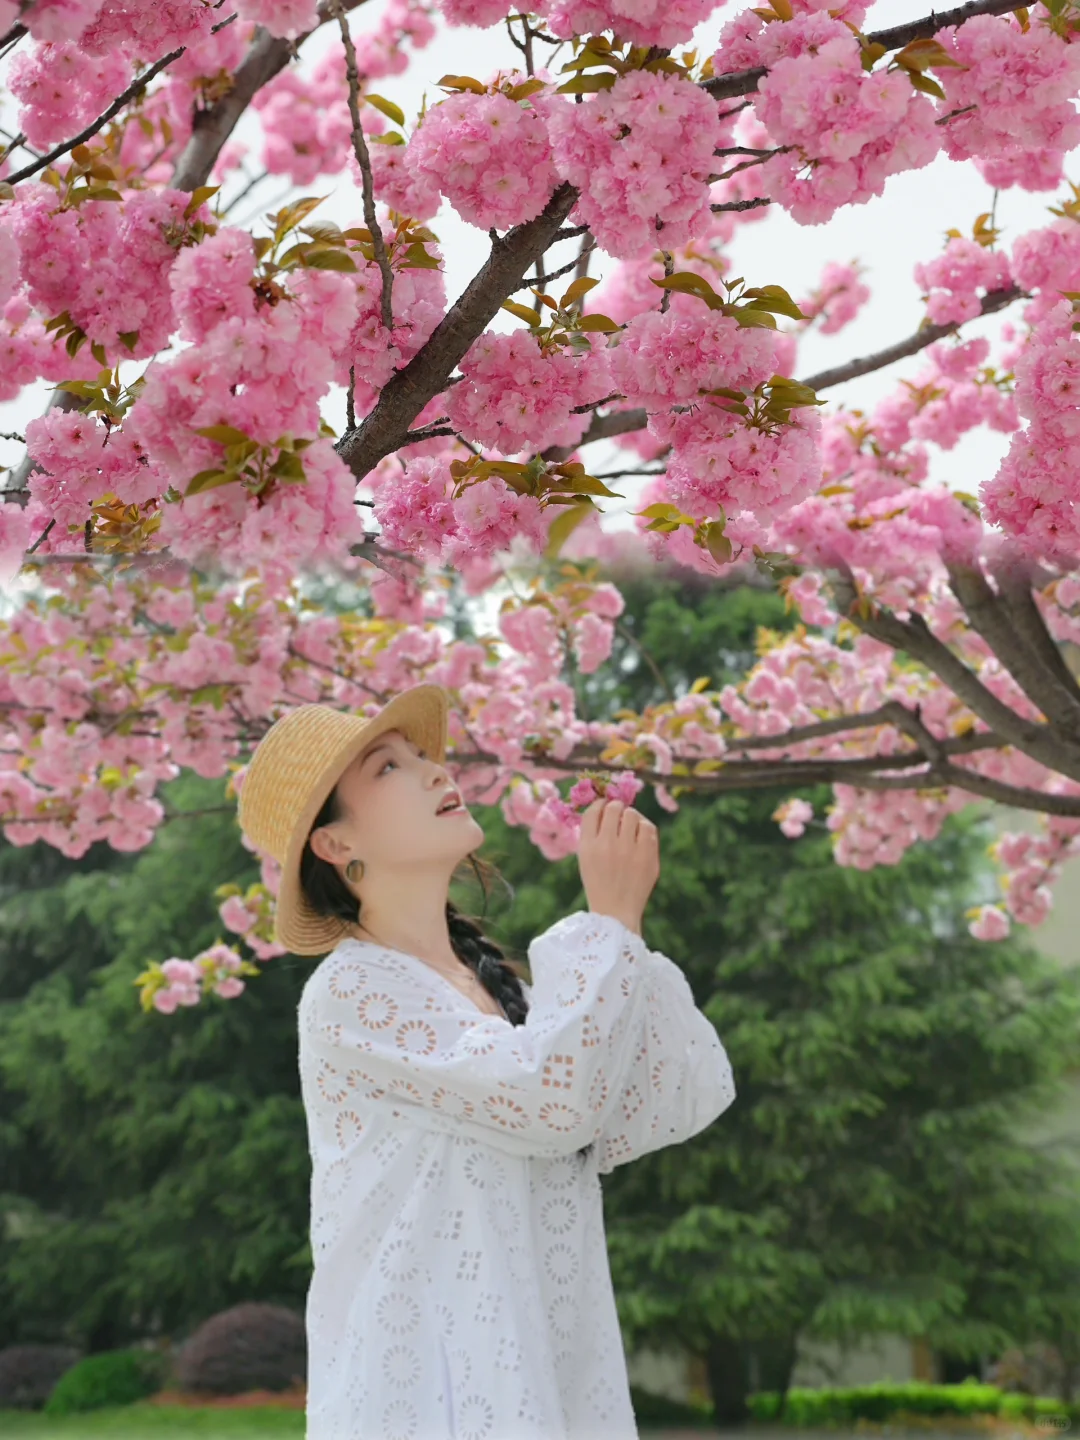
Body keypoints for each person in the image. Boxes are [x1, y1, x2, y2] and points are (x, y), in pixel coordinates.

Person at [236, 681, 736, 1439]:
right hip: (421, 1400)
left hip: (545, 1385)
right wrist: (609, 925)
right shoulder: (352, 993)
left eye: (421, 755)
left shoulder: (509, 997)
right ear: (336, 846)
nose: (436, 771)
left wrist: (622, 939)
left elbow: (670, 1101)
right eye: (388, 767)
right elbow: (554, 1104)